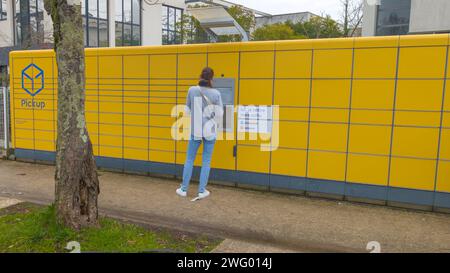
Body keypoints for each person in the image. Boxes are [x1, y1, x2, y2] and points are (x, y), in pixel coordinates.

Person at [176, 67, 223, 200]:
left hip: (195, 130)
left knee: (190, 159)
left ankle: (183, 189)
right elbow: (220, 113)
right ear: (212, 78)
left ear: (200, 76)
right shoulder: (216, 94)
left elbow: (187, 110)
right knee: (206, 161)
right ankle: (201, 191)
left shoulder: (192, 90)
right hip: (210, 130)